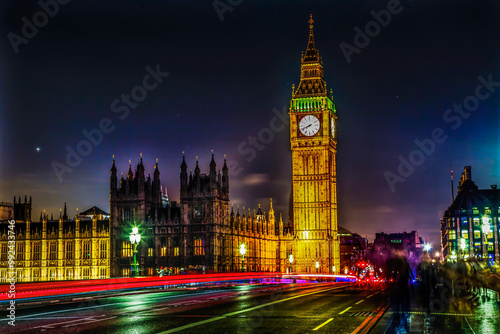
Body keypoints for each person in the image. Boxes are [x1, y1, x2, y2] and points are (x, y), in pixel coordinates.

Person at [385, 248, 412, 333]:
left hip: (397, 289)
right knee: (404, 307)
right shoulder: (406, 265)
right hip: (402, 288)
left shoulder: (396, 265)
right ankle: (403, 323)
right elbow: (410, 275)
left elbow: (393, 276)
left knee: (396, 308)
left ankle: (396, 323)